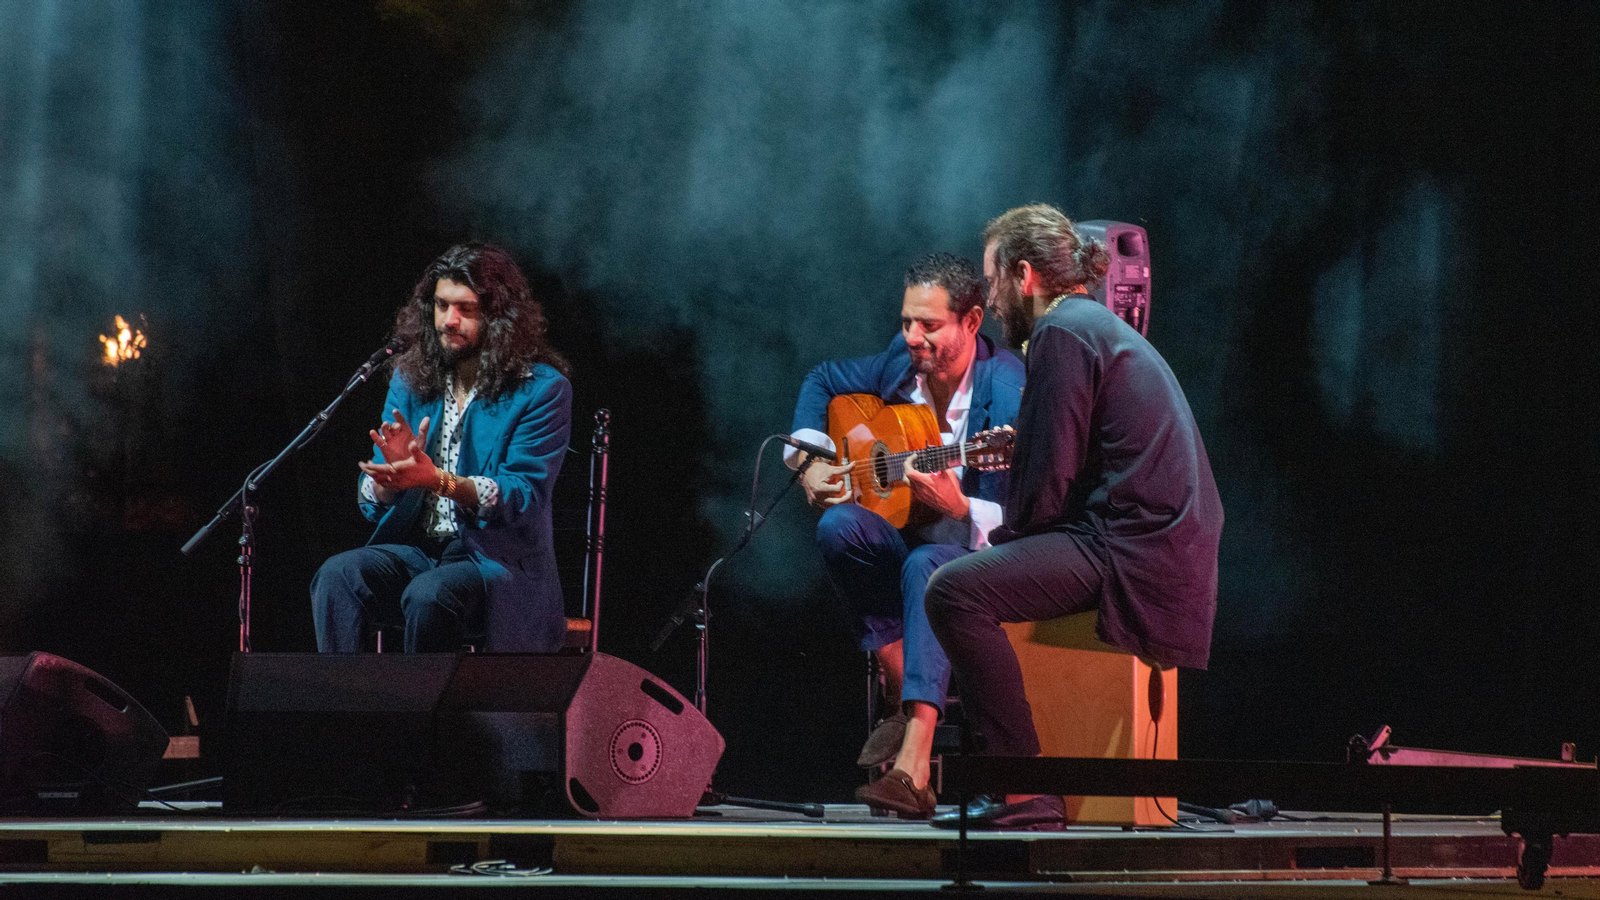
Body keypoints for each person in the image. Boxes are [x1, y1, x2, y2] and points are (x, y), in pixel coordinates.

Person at [925, 205, 1223, 829]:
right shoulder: (1093, 325)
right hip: (1150, 537)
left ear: (1024, 275)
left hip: (1132, 547)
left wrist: (1004, 542)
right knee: (978, 573)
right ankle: (1020, 785)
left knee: (954, 590)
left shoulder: (1062, 333)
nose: (992, 302)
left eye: (993, 281)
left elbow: (1045, 486)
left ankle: (1025, 791)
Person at [787, 252, 1024, 818]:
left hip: (984, 559)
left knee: (928, 569)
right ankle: (901, 682)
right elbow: (821, 378)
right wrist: (810, 459)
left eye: (930, 325)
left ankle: (913, 765)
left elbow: (1029, 511)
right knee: (841, 524)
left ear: (971, 321)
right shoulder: (902, 363)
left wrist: (962, 504)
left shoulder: (1008, 389)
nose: (913, 337)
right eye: (906, 322)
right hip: (917, 544)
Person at [310, 242, 573, 653]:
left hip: (495, 562)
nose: (449, 320)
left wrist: (439, 481)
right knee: (337, 575)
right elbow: (374, 500)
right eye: (441, 305)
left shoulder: (541, 389)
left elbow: (522, 496)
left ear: (499, 317)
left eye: (466, 309)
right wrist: (389, 482)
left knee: (430, 596)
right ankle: (349, 712)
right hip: (421, 551)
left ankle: (426, 719)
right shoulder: (411, 379)